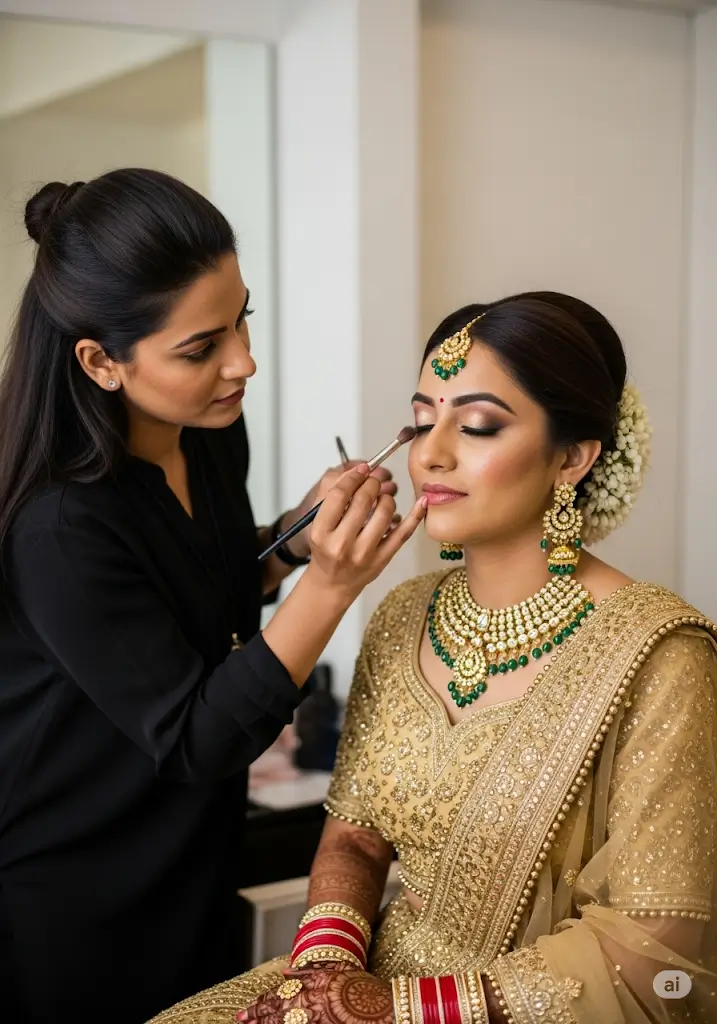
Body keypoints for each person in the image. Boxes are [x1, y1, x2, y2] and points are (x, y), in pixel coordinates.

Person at [148, 292, 717, 1024]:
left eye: (476, 425)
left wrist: (394, 1009)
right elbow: (353, 835)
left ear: (571, 459)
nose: (430, 453)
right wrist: (325, 970)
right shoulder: (403, 613)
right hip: (365, 983)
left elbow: (654, 947)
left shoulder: (662, 657)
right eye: (421, 421)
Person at [0, 169, 426, 1024]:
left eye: (242, 321)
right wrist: (331, 584)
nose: (243, 362)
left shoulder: (204, 439)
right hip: (77, 889)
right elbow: (194, 734)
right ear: (99, 361)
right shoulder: (60, 525)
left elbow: (208, 590)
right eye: (201, 349)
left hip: (191, 853)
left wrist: (292, 539)